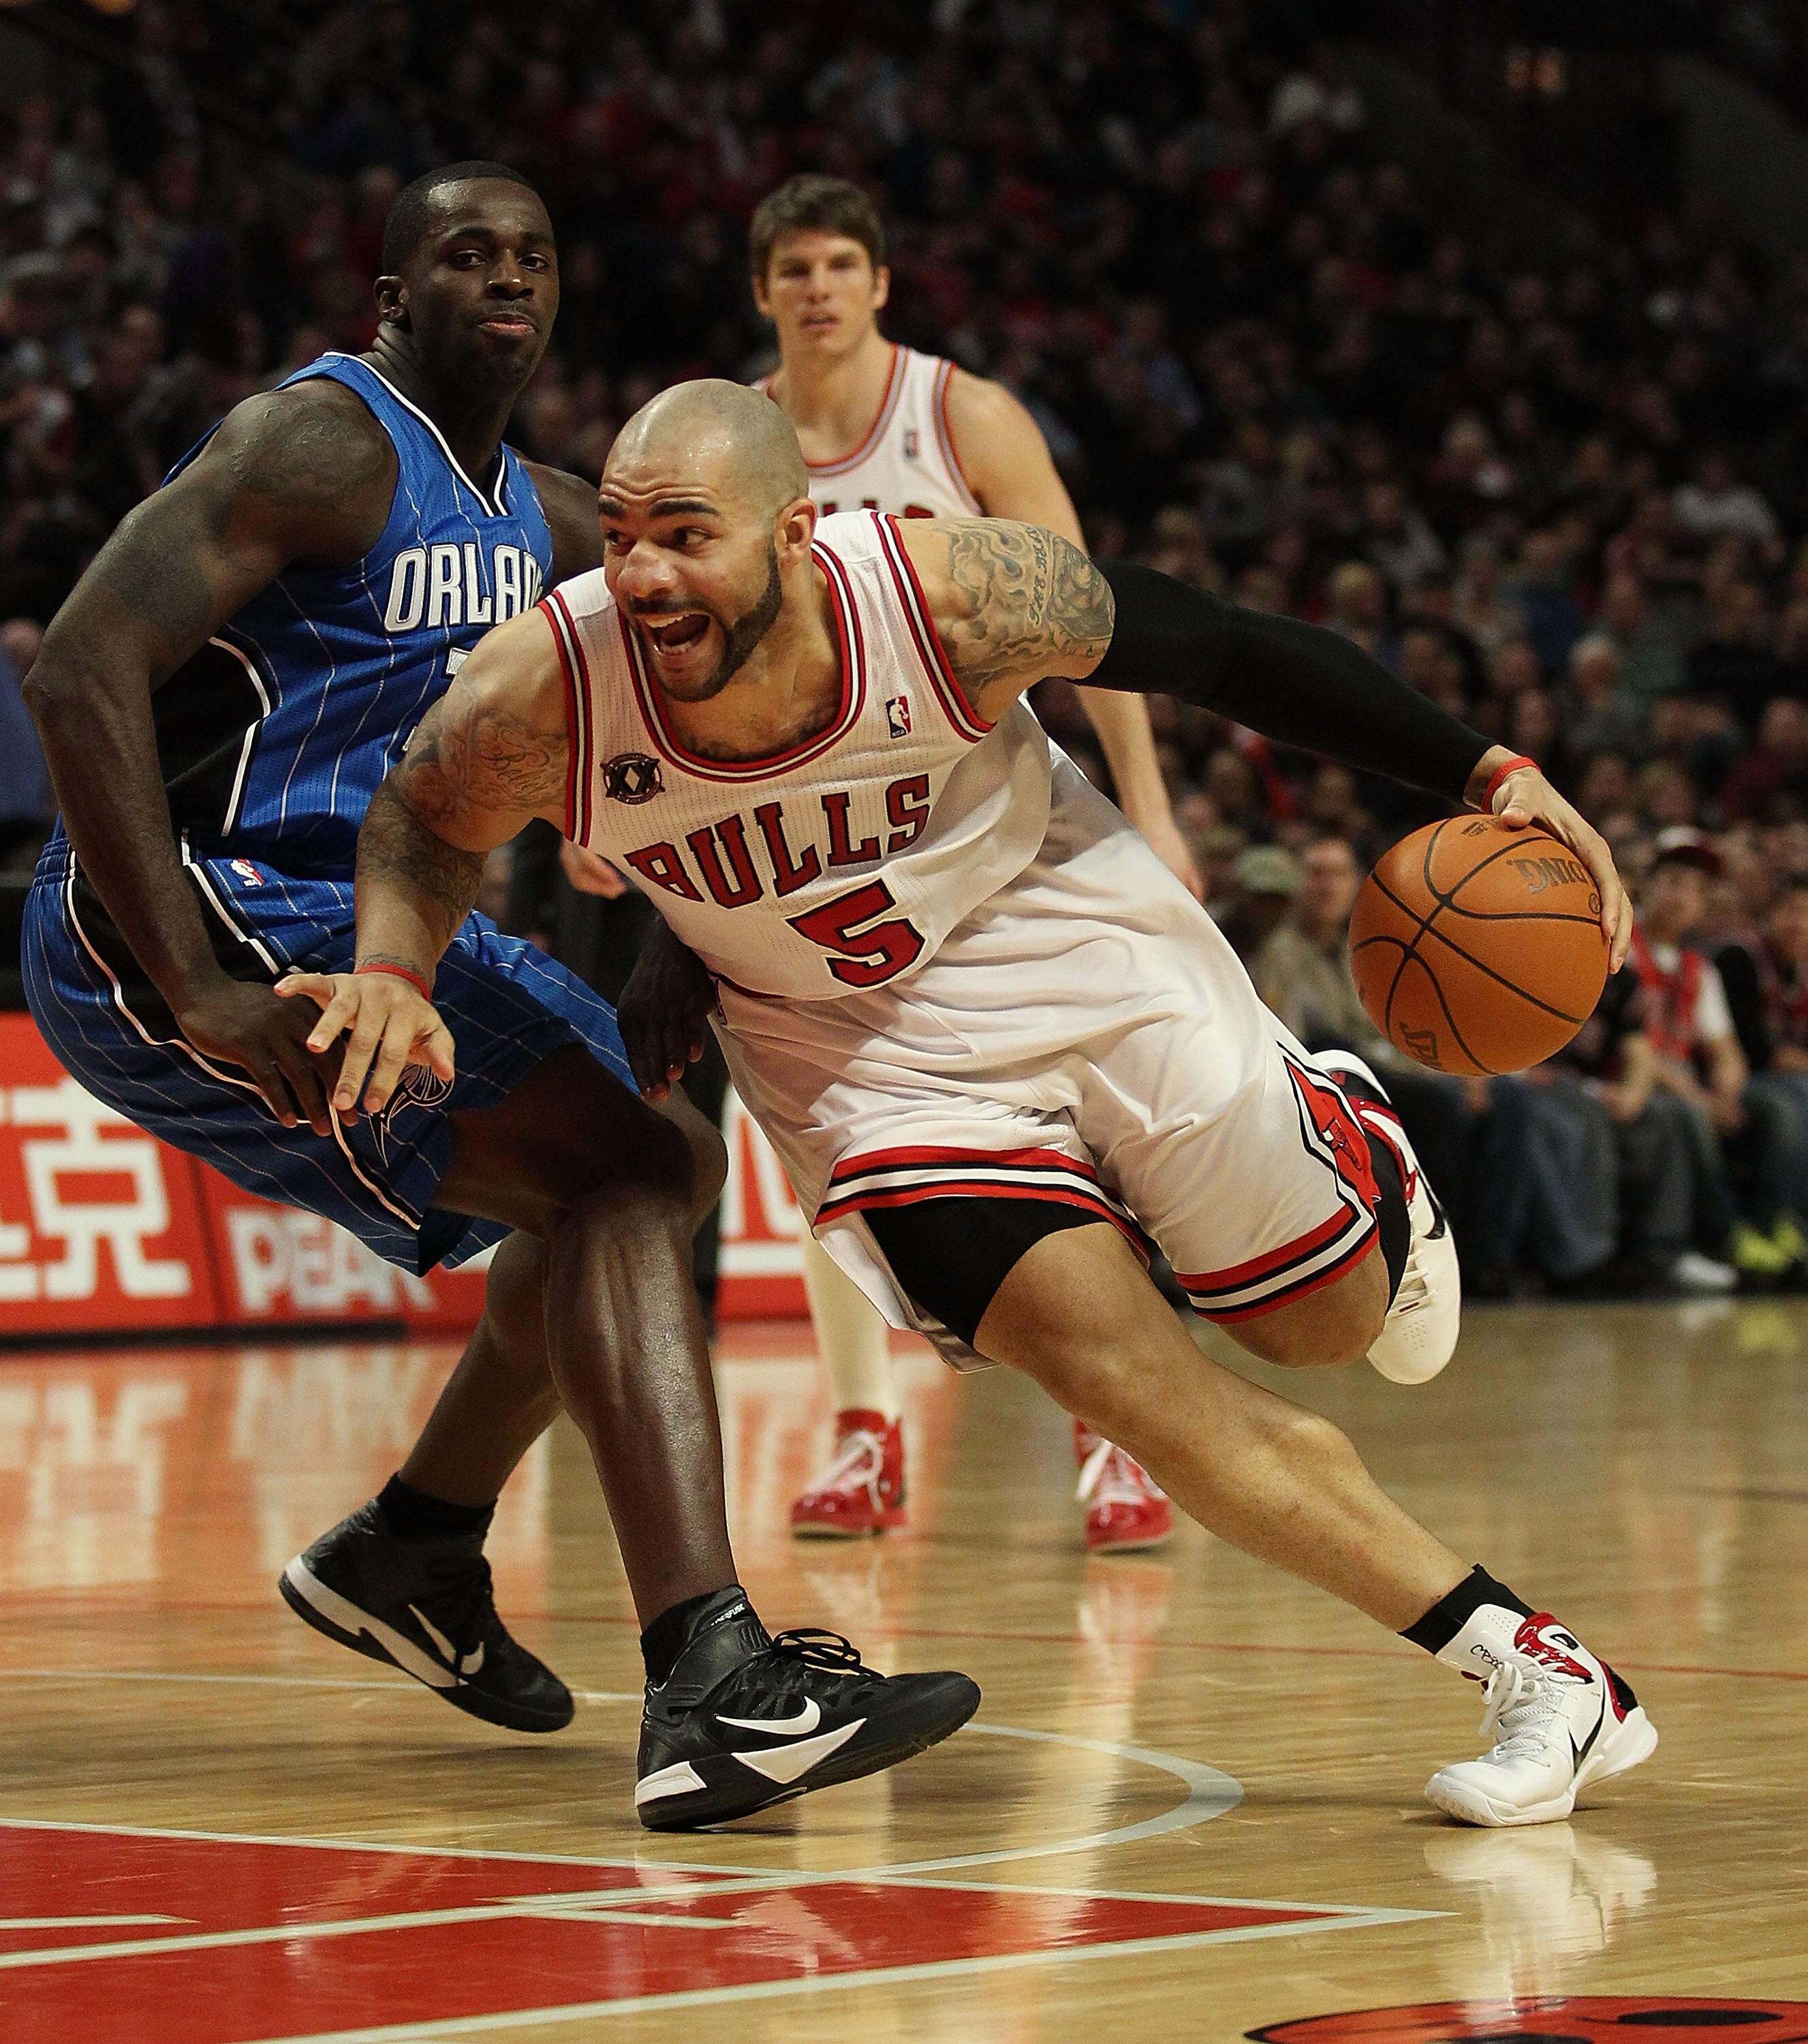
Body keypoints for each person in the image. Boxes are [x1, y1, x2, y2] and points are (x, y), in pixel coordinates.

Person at [290, 379, 1657, 1829]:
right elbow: (422, 818)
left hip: (1072, 939)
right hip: (862, 1066)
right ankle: (1541, 1673)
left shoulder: (950, 598)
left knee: (1317, 1328)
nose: (639, 574)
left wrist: (1489, 771)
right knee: (1125, 1380)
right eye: (620, 536)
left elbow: (1233, 651)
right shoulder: (548, 686)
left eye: (684, 536)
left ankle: (1350, 1137)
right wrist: (395, 965)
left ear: (796, 534)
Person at [18, 170, 977, 1833]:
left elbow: (629, 735)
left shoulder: (540, 512)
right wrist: (184, 980)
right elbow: (76, 667)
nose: (508, 279)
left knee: (657, 1166)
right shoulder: (317, 445)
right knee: (610, 1174)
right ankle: (711, 1678)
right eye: (467, 256)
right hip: (205, 908)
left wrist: (680, 927)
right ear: (394, 294)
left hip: (380, 906)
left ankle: (417, 1547)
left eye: (533, 255)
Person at [750, 174, 1190, 1549]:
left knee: (1069, 1110)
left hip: (989, 813)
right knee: (804, 1130)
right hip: (816, 836)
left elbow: (1088, 617)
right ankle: (863, 1433)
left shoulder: (963, 417)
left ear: (880, 284)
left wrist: (1148, 799)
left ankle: (1117, 1438)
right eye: (794, 270)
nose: (818, 288)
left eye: (840, 263)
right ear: (762, 294)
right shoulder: (738, 435)